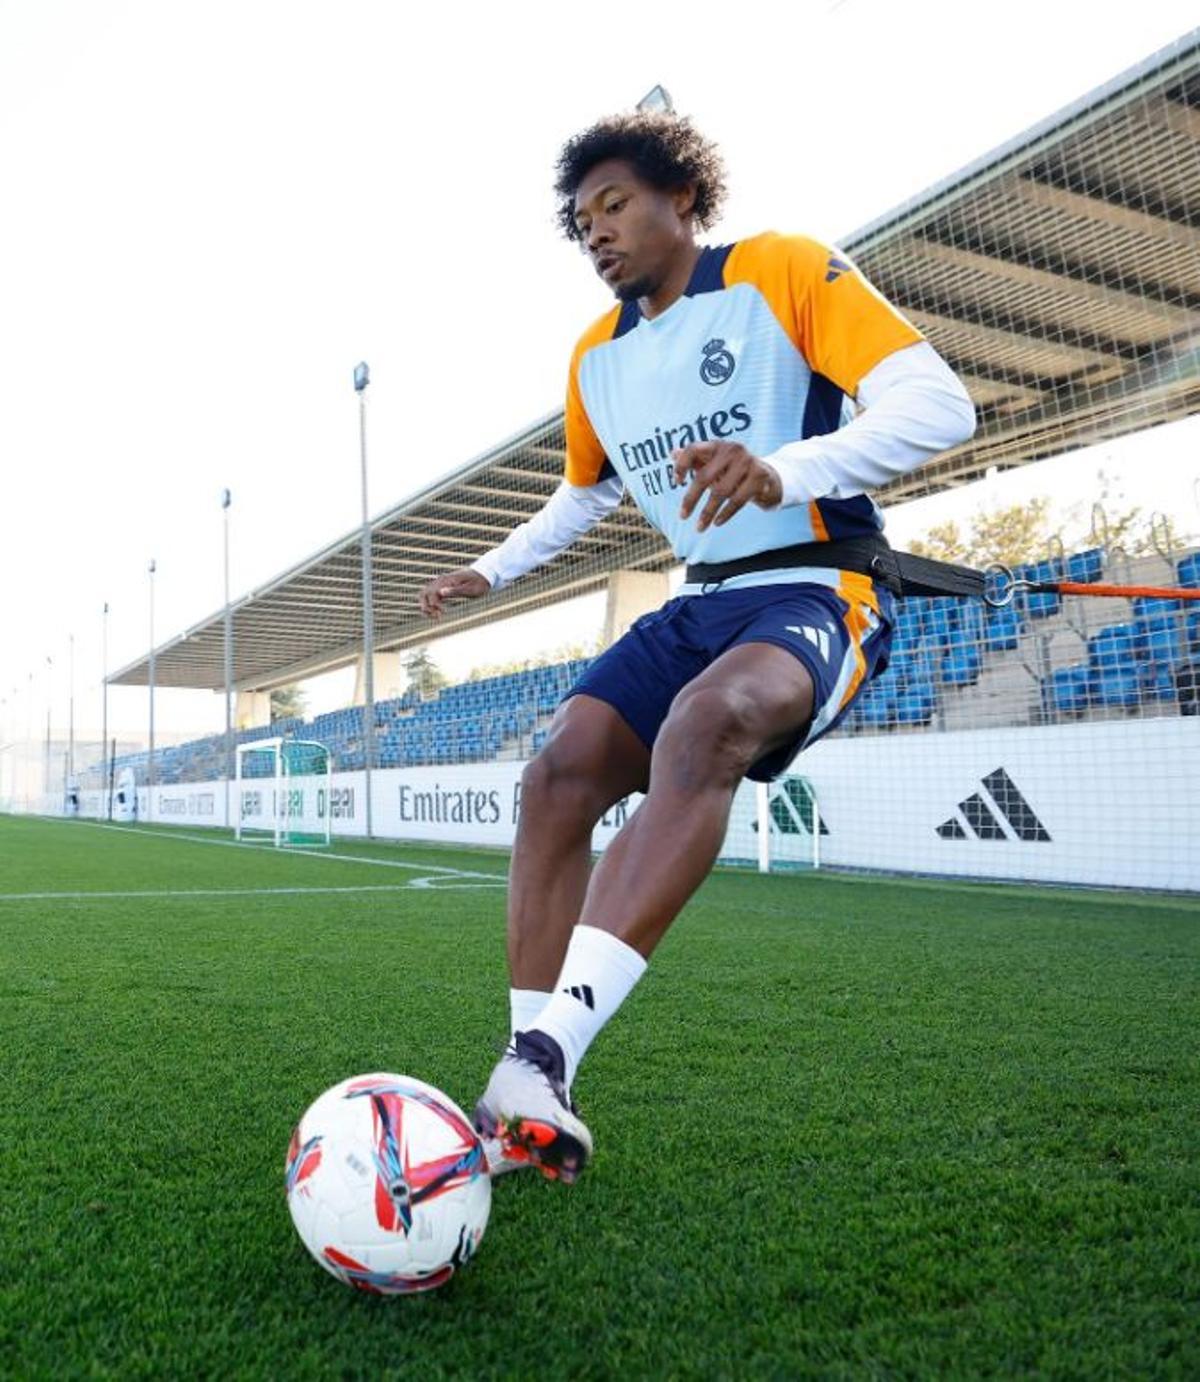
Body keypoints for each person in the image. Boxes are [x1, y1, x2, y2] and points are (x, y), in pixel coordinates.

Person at [419, 111, 976, 1183]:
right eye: (582, 222)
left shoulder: (781, 269)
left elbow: (936, 403)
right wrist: (491, 570)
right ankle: (523, 1083)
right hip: (699, 601)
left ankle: (546, 1052)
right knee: (558, 771)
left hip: (819, 583)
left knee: (709, 721)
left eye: (615, 205)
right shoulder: (596, 358)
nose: (597, 235)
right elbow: (579, 496)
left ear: (683, 195)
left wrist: (786, 469)